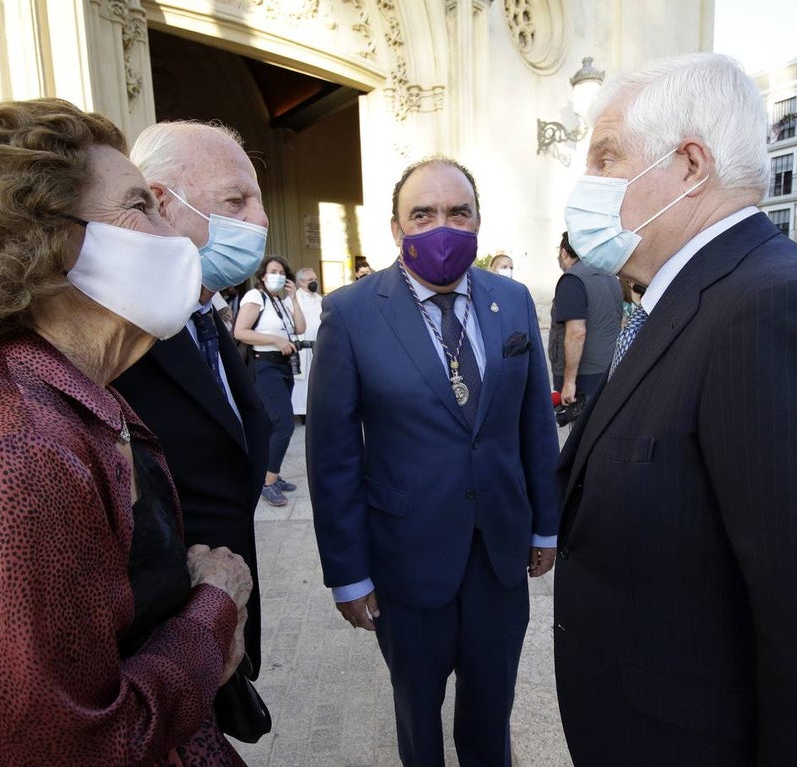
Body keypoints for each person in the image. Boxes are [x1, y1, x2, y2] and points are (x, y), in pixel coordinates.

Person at [555, 54, 797, 766]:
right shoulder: (690, 298)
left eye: (606, 157)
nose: (588, 183)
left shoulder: (780, 311)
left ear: (690, 165)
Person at [0, 99, 252, 765]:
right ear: (47, 244)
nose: (184, 239)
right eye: (142, 206)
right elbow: (73, 746)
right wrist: (213, 611)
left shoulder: (67, 397)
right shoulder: (10, 453)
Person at [307, 156, 559, 767]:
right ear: (396, 228)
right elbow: (333, 455)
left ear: (477, 222)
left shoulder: (512, 301)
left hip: (499, 555)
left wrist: (546, 526)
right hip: (406, 558)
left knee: (492, 711)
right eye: (422, 214)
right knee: (418, 716)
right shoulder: (351, 313)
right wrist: (348, 572)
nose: (441, 226)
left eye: (457, 212)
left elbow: (535, 422)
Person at [112, 121, 272, 683]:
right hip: (161, 653)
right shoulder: (119, 338)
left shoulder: (203, 314)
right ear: (161, 204)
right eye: (235, 200)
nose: (260, 220)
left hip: (220, 622)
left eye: (258, 200)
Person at [235, 256, 305, 507]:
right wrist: (276, 340)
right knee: (284, 424)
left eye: (282, 272)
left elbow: (299, 328)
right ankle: (268, 481)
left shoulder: (281, 302)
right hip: (265, 367)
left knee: (270, 425)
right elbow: (240, 331)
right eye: (273, 271)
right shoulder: (256, 297)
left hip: (283, 367)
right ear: (263, 275)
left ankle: (267, 471)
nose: (278, 276)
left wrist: (294, 298)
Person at [548, 231, 623, 406]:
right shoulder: (610, 276)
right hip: (610, 368)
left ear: (564, 252)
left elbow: (576, 333)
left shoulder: (572, 279)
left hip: (583, 377)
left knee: (581, 423)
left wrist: (569, 382)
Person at [291, 267, 323, 419]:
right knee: (303, 381)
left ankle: (318, 408)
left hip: (319, 346)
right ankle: (303, 412)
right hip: (303, 348)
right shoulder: (293, 300)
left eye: (315, 280)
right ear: (301, 282)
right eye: (310, 280)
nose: (314, 282)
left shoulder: (320, 299)